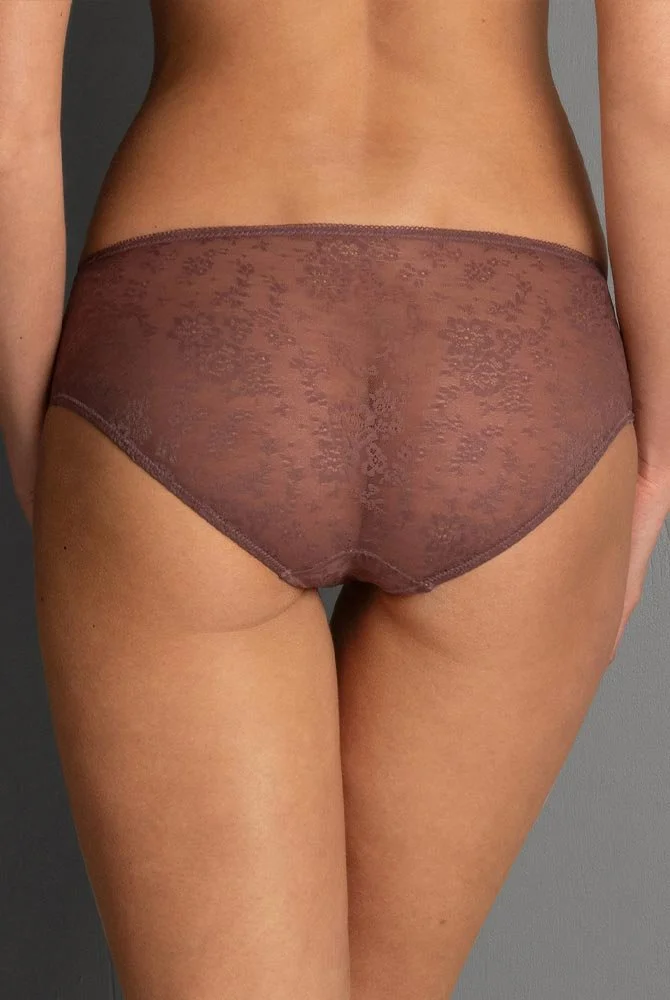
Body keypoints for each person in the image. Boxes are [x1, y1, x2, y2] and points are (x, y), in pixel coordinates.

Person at [1, 1, 668, 997]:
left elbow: (9, 121)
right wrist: (656, 466)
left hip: (197, 331)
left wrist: (44, 450)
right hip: (514, 353)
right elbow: (657, 106)